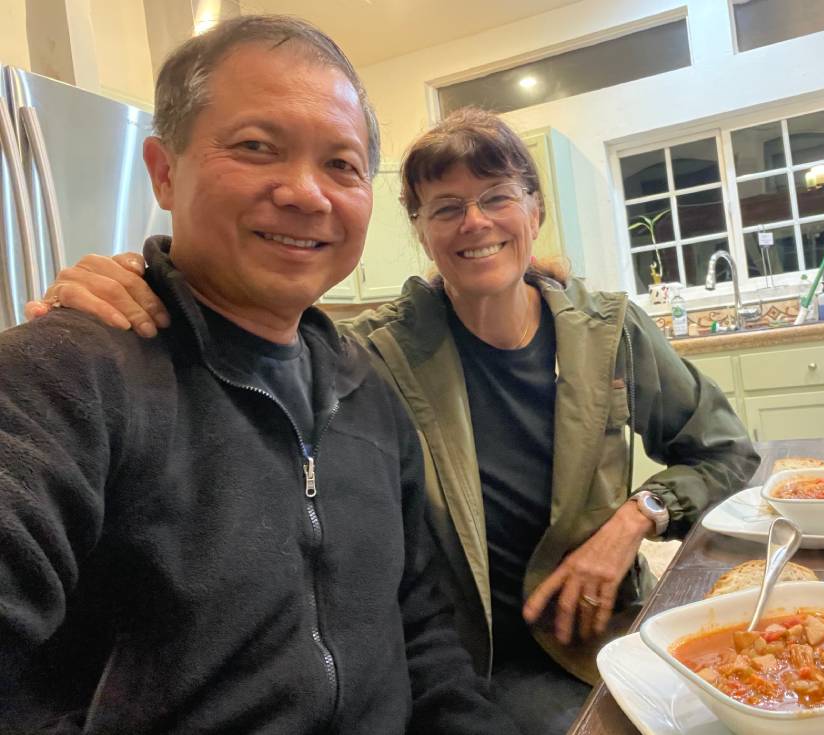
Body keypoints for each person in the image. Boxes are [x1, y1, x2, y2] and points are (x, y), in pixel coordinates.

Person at [28, 109, 760, 732]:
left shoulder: (610, 334)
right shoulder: (372, 357)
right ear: (420, 229)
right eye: (446, 207)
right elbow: (248, 327)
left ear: (534, 211)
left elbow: (726, 451)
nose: (475, 222)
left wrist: (637, 515)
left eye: (497, 197)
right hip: (466, 670)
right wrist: (133, 283)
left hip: (604, 642)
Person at [0, 16, 521, 735]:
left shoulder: (367, 388)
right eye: (255, 147)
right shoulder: (63, 376)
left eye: (341, 165)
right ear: (163, 171)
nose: (306, 193)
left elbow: (423, 632)